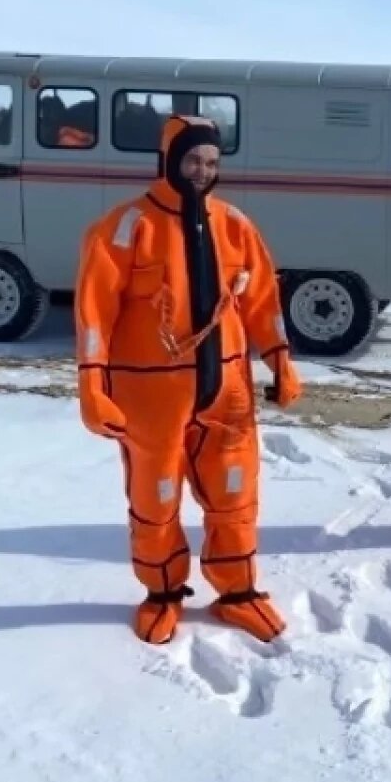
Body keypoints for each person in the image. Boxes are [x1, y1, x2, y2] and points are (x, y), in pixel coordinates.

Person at [74, 114, 303, 644]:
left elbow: (262, 300)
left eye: (211, 162)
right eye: (193, 160)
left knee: (235, 493)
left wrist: (281, 359)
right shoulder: (125, 227)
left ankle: (239, 591)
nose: (202, 170)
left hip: (227, 392)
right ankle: (161, 593)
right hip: (150, 396)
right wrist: (91, 385)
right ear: (169, 160)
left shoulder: (234, 225)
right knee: (155, 501)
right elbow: (94, 314)